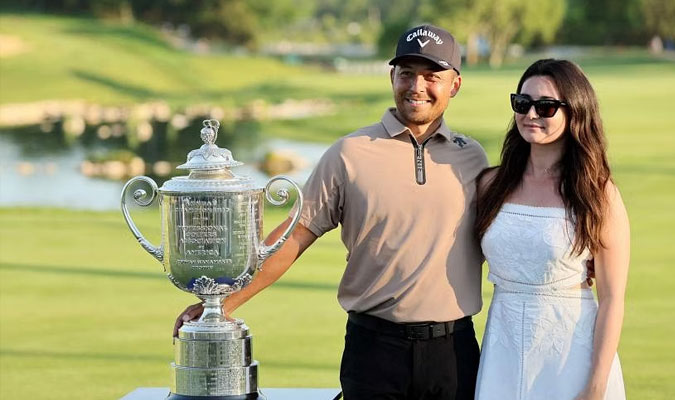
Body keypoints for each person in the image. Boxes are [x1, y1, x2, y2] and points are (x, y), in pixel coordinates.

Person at [174, 25, 488, 399]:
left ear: (454, 85)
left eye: (431, 76)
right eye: (406, 74)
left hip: (453, 351)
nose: (416, 87)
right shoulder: (350, 153)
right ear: (392, 77)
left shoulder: (472, 157)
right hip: (374, 350)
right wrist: (221, 303)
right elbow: (294, 235)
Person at [473, 59, 629, 399]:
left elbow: (613, 298)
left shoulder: (598, 193)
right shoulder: (490, 184)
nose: (531, 114)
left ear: (575, 112)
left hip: (571, 355)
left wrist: (596, 386)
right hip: (503, 350)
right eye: (522, 103)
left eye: (545, 107)